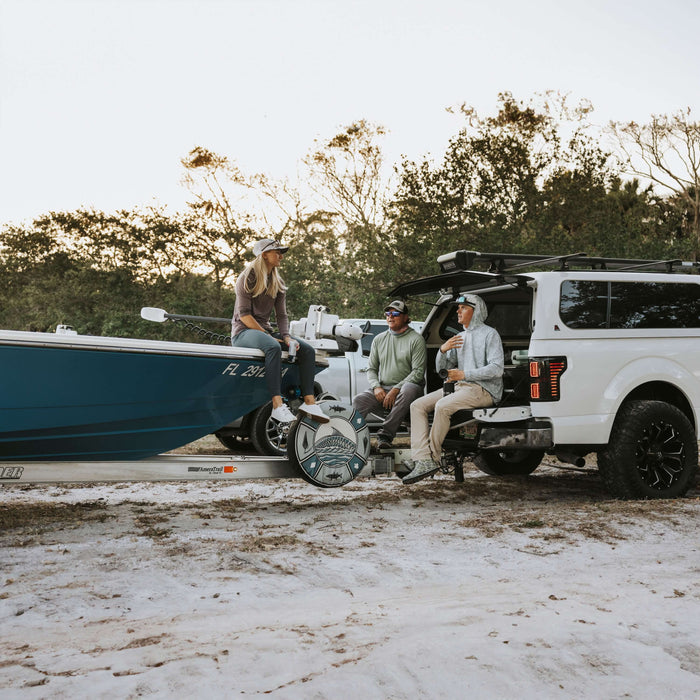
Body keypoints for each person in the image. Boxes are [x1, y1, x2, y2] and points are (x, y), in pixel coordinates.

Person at [403, 293, 503, 484]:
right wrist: (443, 350)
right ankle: (421, 457)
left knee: (442, 406)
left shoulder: (490, 334)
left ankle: (432, 459)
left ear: (476, 311)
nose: (458, 311)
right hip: (460, 387)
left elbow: (497, 368)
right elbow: (444, 368)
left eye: (463, 308)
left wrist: (465, 374)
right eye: (458, 308)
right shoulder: (459, 337)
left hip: (483, 390)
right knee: (417, 406)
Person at [231, 238, 329, 424]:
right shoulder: (247, 278)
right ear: (264, 255)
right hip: (243, 332)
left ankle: (309, 402)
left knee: (306, 349)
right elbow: (244, 316)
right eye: (277, 252)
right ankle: (277, 405)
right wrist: (268, 336)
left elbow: (282, 316)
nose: (281, 256)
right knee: (273, 347)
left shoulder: (277, 282)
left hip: (264, 332)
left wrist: (286, 337)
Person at [352, 300, 426, 448]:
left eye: (396, 313)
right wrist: (376, 387)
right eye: (388, 313)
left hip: (409, 391)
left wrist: (396, 389)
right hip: (384, 389)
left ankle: (385, 436)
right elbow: (371, 369)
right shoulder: (379, 339)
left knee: (409, 388)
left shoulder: (416, 339)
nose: (390, 317)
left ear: (406, 317)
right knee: (359, 400)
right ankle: (352, 439)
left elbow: (418, 372)